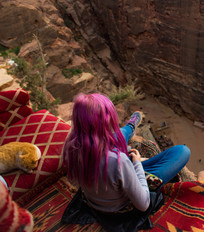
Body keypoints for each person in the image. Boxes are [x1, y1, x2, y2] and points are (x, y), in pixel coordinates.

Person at [61, 93, 190, 231]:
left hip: (94, 199)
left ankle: (131, 126)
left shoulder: (72, 147)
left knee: (119, 134)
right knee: (182, 151)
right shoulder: (118, 161)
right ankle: (130, 127)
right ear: (106, 122)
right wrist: (137, 163)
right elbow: (143, 204)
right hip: (121, 208)